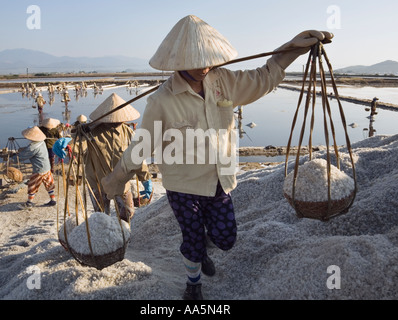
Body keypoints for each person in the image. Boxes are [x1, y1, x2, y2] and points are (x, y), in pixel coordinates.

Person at [101, 15, 333, 300]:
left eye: (209, 59)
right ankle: (193, 285)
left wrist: (291, 50)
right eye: (197, 61)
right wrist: (116, 178)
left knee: (226, 237)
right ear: (179, 61)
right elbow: (142, 145)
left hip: (220, 178)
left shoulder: (222, 81)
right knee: (192, 238)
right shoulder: (162, 100)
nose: (205, 67)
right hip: (183, 184)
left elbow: (262, 78)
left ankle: (200, 250)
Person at [79, 93, 152, 222]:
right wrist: (68, 145)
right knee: (102, 217)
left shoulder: (128, 132)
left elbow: (137, 156)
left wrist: (145, 179)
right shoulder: (89, 133)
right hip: (98, 183)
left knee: (127, 214)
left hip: (121, 182)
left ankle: (124, 236)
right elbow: (77, 147)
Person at [16, 126, 57, 209]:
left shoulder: (32, 147)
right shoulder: (42, 142)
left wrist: (13, 158)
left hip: (39, 170)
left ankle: (29, 203)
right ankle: (53, 200)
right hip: (47, 167)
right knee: (48, 184)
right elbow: (29, 149)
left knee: (32, 185)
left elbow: (22, 156)